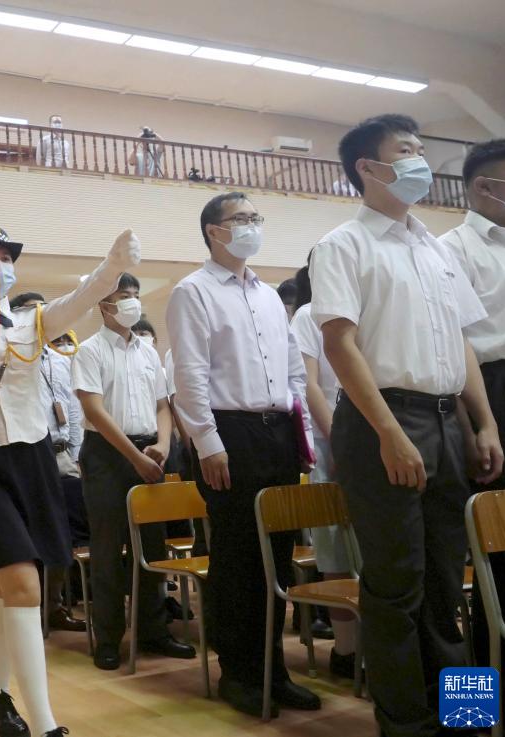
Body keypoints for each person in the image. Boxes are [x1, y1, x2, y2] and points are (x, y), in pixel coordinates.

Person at [310, 114, 503, 737]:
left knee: (451, 582)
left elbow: (462, 343)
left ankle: (468, 719)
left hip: (447, 420)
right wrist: (390, 432)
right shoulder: (343, 245)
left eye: (422, 148)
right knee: (397, 587)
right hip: (383, 422)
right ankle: (406, 724)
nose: (421, 159)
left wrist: (485, 424)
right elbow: (340, 344)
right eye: (407, 150)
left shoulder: (435, 247)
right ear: (369, 168)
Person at [0, 226, 140, 737]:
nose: (2, 265)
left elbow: (77, 302)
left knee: (11, 586)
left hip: (31, 459)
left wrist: (111, 267)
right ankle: (45, 725)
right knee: (21, 584)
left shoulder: (29, 323)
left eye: (7, 256)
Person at [167, 192, 320, 718]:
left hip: (277, 432)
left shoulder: (269, 296)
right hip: (230, 433)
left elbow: (293, 370)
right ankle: (239, 672)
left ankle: (275, 670)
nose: (253, 226)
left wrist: (302, 434)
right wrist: (207, 442)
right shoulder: (193, 291)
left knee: (277, 556)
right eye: (241, 219)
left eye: (256, 218)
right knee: (238, 558)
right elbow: (189, 375)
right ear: (214, 231)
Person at [74, 275, 196, 671]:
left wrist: (163, 445)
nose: (132, 302)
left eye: (135, 295)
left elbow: (163, 405)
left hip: (150, 451)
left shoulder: (147, 351)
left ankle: (153, 631)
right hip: (107, 455)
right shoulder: (90, 350)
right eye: (123, 296)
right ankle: (109, 638)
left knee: (152, 546)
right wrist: (134, 457)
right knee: (108, 548)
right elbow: (94, 411)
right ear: (104, 305)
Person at [438, 138, 505, 704]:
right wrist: (474, 429)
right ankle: (477, 709)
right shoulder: (450, 250)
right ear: (485, 185)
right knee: (488, 569)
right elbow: (453, 349)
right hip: (489, 394)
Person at [290, 262, 357, 677]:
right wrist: (340, 441)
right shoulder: (306, 315)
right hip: (329, 440)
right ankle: (346, 651)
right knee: (335, 546)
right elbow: (309, 384)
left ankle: (373, 645)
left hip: (369, 439)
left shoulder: (360, 309)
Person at [8, 291, 86, 633]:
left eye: (43, 311)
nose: (39, 318)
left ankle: (54, 605)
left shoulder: (60, 358)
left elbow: (72, 407)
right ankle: (24, 607)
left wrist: (77, 451)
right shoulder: (10, 356)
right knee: (29, 532)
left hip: (62, 453)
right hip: (25, 454)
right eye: (31, 312)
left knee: (60, 530)